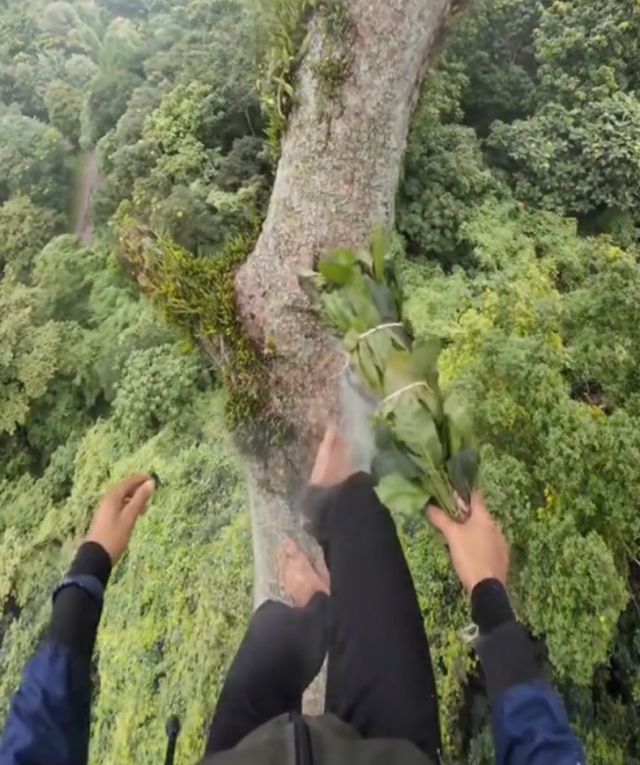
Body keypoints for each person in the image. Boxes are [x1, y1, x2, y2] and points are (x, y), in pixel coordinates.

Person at [0, 428, 585, 765]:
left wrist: (90, 566)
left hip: (240, 757)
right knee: (357, 506)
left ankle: (317, 605)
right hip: (387, 754)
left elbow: (32, 749)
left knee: (273, 631)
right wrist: (489, 595)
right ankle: (330, 513)